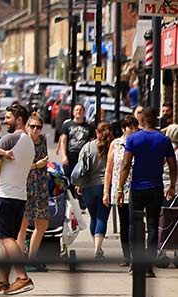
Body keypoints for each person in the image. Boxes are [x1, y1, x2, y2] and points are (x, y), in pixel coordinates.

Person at [119, 107, 177, 277]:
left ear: (141, 121)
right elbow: (173, 166)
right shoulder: (164, 140)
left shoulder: (133, 139)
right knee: (153, 226)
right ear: (156, 120)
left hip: (137, 188)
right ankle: (149, 266)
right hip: (156, 187)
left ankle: (135, 263)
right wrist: (172, 186)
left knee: (133, 225)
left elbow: (126, 165)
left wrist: (120, 188)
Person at [0, 104, 36, 295]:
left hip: (5, 195)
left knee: (6, 239)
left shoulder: (11, 138)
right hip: (19, 196)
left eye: (8, 117)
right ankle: (3, 281)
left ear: (18, 120)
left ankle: (22, 277)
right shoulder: (29, 142)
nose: (5, 120)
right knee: (7, 240)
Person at [73, 121, 113, 259]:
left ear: (97, 132)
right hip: (105, 186)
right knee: (102, 217)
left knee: (93, 217)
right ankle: (97, 248)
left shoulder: (88, 146)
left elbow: (80, 167)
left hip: (88, 186)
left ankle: (96, 245)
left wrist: (79, 184)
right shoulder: (113, 147)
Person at [104, 115, 139, 267]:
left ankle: (137, 255)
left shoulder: (139, 143)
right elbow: (109, 169)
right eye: (130, 127)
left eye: (135, 127)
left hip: (136, 187)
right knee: (124, 223)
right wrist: (106, 191)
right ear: (124, 129)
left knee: (135, 222)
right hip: (119, 189)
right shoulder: (116, 144)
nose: (133, 130)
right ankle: (127, 256)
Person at [17, 113, 50, 269]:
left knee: (42, 223)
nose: (35, 129)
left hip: (41, 185)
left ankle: (31, 257)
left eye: (38, 127)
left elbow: (45, 159)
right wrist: (38, 165)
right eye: (32, 126)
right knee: (23, 223)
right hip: (25, 184)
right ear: (26, 126)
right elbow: (19, 165)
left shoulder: (43, 140)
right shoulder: (22, 141)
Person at [57, 104, 94, 185]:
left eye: (81, 110)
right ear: (73, 112)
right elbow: (63, 140)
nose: (79, 112)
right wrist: (64, 156)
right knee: (68, 178)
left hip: (82, 157)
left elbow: (91, 142)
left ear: (84, 113)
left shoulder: (89, 127)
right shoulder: (67, 125)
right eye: (77, 110)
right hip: (70, 156)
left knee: (81, 178)